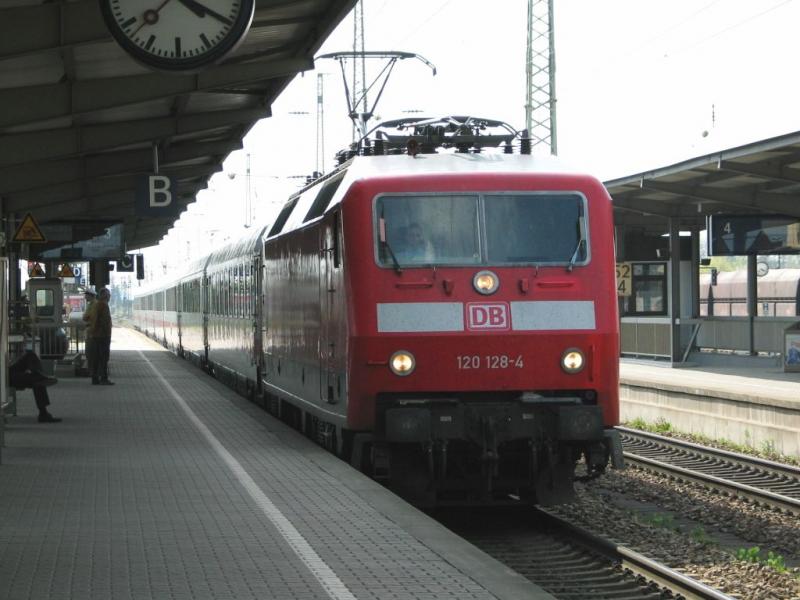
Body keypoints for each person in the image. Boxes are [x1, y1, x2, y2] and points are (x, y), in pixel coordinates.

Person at [9, 351, 60, 423]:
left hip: (6, 371)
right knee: (37, 380)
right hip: (4, 377)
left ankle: (39, 374)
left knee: (30, 355)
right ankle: (43, 414)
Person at [85, 288, 114, 385]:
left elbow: (91, 318)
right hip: (103, 335)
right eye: (108, 295)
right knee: (103, 358)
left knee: (96, 358)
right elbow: (105, 321)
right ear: (105, 296)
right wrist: (107, 332)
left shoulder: (96, 305)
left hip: (96, 335)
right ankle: (104, 378)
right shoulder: (103, 305)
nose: (109, 297)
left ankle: (95, 378)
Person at [82, 288, 97, 378]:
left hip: (92, 331)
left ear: (91, 296)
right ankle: (91, 370)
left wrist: (86, 317)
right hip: (89, 330)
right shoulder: (90, 304)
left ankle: (92, 371)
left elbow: (86, 317)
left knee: (91, 352)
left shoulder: (94, 305)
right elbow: (85, 317)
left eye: (86, 295)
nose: (85, 297)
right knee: (89, 352)